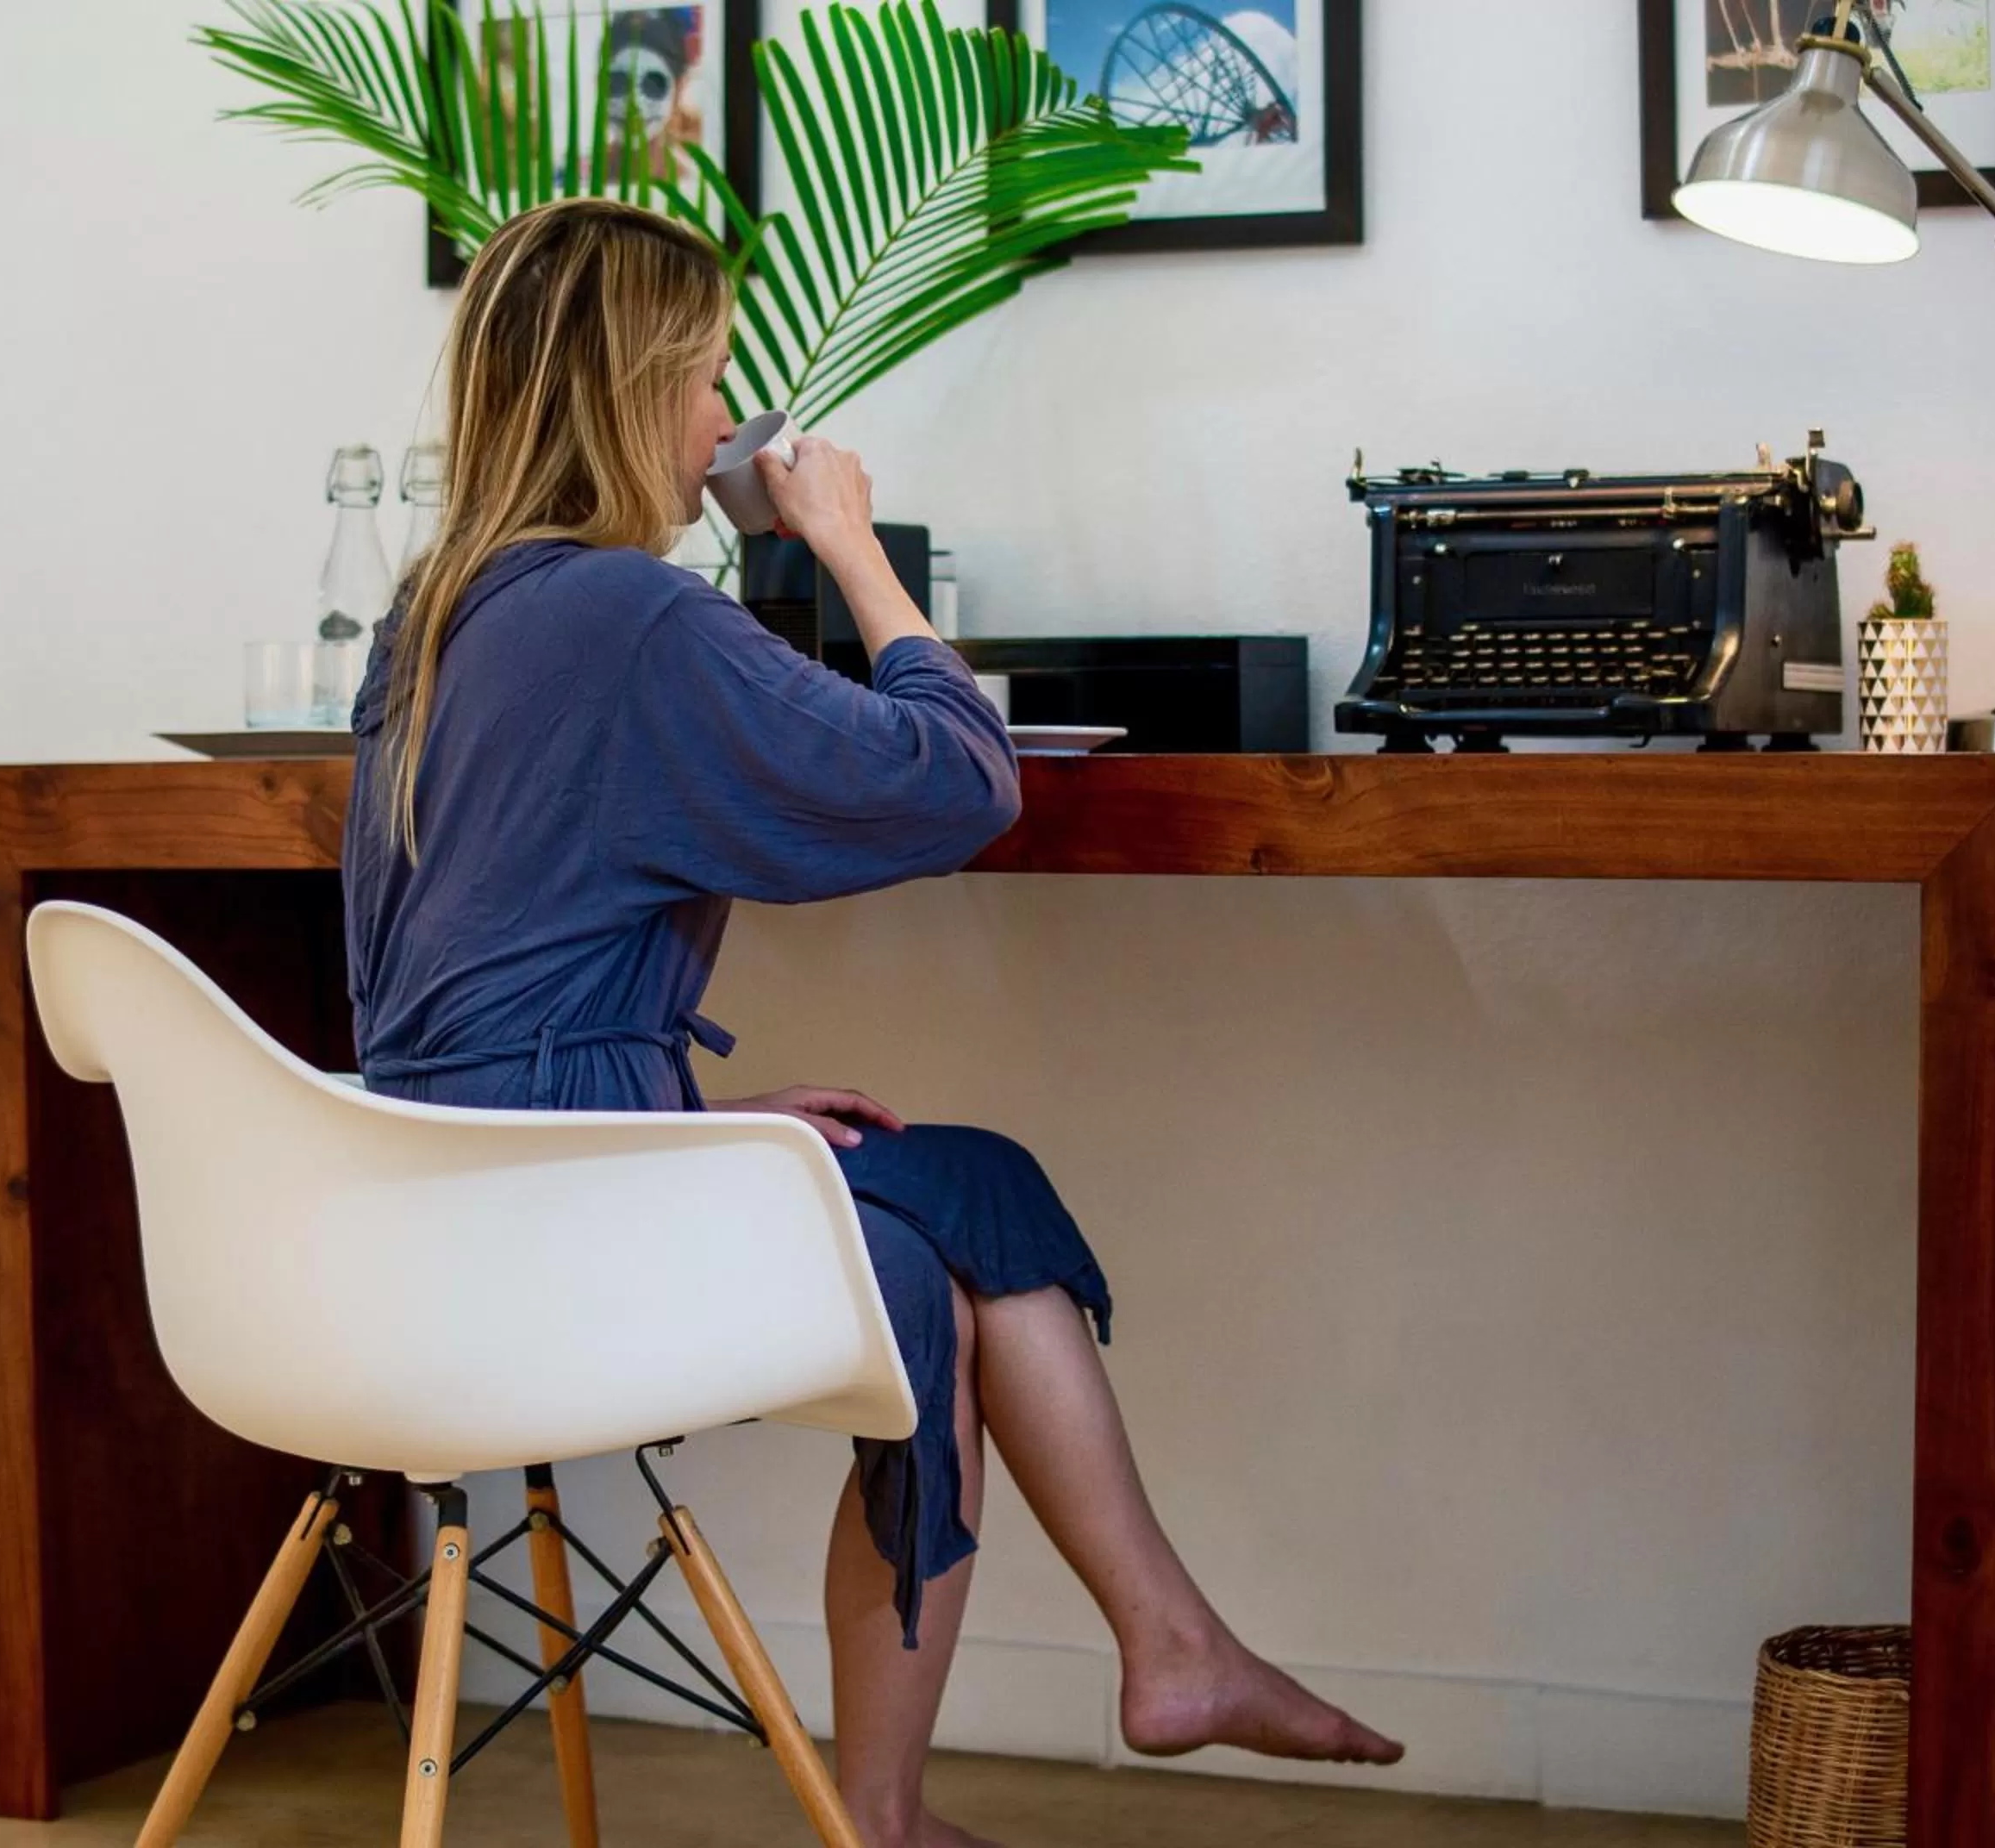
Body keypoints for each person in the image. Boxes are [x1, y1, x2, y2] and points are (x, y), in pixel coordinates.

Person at [342, 197, 1401, 1848]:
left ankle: (1162, 1652)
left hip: (430, 1210)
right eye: (703, 381)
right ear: (632, 398)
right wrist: (839, 539)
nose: (722, 421)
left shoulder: (434, 617)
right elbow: (956, 780)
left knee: (958, 1178)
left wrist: (700, 1122)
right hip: (561, 1223)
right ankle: (945, 1785)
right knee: (931, 1266)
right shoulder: (630, 617)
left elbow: (485, 973)